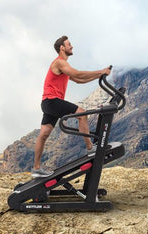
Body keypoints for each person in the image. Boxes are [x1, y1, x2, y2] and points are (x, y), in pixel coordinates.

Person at [32, 35, 111, 178]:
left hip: (48, 103)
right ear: (62, 48)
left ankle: (36, 169)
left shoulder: (63, 66)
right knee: (82, 113)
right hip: (52, 101)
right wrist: (101, 71)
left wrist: (98, 76)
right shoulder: (60, 63)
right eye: (69, 44)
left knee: (43, 135)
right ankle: (89, 148)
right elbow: (77, 73)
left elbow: (78, 80)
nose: (72, 46)